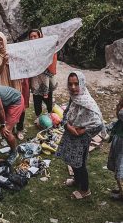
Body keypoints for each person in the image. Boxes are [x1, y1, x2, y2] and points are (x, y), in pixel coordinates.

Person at [56, 71, 104, 199]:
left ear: (82, 83)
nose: (72, 87)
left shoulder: (87, 101)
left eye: (76, 84)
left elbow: (98, 123)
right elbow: (66, 113)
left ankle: (85, 189)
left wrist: (83, 131)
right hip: (70, 135)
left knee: (80, 164)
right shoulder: (74, 97)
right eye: (70, 84)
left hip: (80, 139)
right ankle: (77, 181)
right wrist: (67, 126)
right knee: (72, 161)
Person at [0, 32, 30, 140]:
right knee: (7, 107)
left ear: (4, 40)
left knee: (21, 107)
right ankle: (9, 128)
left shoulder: (14, 50)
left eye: (0, 40)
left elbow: (25, 66)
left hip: (19, 83)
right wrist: (3, 63)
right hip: (4, 85)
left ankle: (20, 128)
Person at [28, 29, 58, 117]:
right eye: (31, 37)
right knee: (36, 98)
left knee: (48, 97)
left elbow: (52, 55)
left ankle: (50, 114)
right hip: (35, 78)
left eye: (35, 36)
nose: (33, 38)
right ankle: (38, 116)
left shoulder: (46, 47)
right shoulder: (28, 49)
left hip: (46, 77)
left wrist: (54, 46)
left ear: (39, 37)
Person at [107, 96, 123, 201]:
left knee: (120, 170)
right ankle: (121, 190)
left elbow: (120, 114)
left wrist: (119, 106)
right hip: (119, 141)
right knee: (118, 168)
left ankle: (122, 194)